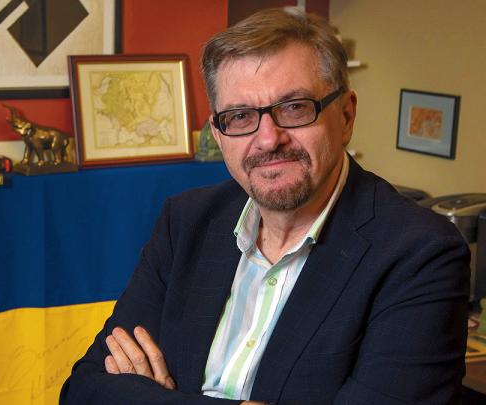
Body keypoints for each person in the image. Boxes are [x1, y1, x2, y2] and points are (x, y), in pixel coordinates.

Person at [60, 7, 470, 405]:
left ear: (346, 116)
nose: (269, 139)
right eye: (239, 116)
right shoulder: (185, 221)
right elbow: (83, 391)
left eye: (294, 108)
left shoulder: (420, 254)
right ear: (219, 136)